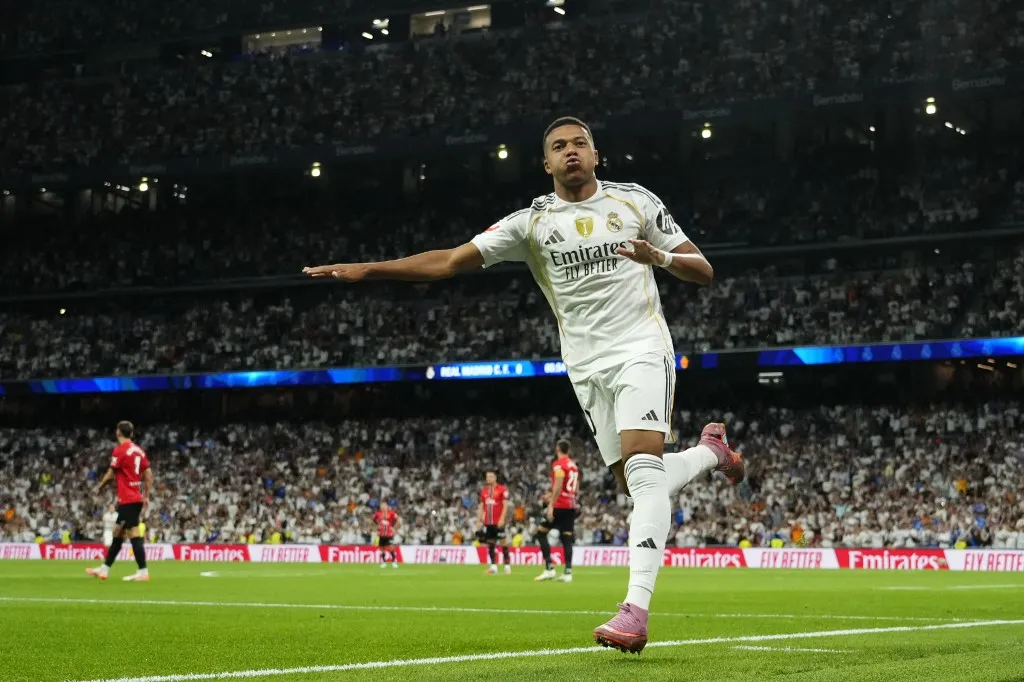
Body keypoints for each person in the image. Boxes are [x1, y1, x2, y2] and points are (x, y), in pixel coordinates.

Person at [303, 116, 745, 653]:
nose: (571, 151)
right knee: (635, 483)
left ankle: (634, 611)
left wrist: (660, 257)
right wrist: (369, 269)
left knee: (645, 475)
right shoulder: (531, 223)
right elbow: (448, 262)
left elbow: (703, 269)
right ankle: (710, 453)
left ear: (596, 154)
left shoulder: (635, 201)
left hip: (641, 348)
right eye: (559, 146)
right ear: (546, 163)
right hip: (584, 365)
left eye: (580, 143)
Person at [87, 421, 153, 582]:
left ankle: (143, 571)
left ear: (118, 432)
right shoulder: (139, 451)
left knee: (132, 533)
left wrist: (100, 486)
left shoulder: (120, 450)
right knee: (118, 532)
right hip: (135, 498)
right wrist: (146, 495)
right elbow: (148, 473)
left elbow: (111, 474)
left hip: (128, 500)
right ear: (132, 433)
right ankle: (104, 569)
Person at [535, 439, 578, 583]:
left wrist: (551, 504)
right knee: (567, 538)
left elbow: (559, 485)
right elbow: (573, 488)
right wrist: (551, 494)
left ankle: (549, 568)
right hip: (571, 505)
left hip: (559, 505)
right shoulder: (573, 465)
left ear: (557, 449)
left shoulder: (559, 465)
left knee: (540, 533)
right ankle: (568, 572)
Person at [479, 471, 512, 574]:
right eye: (487, 477)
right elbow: (482, 506)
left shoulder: (502, 490)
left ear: (495, 478)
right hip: (488, 522)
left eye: (490, 476)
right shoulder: (484, 491)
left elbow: (505, 505)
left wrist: (502, 519)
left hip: (498, 522)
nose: (488, 478)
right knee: (490, 543)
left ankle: (507, 566)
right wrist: (479, 518)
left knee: (503, 542)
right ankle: (493, 566)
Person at [374, 501, 399, 568]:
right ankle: (383, 562)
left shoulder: (391, 513)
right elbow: (374, 520)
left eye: (384, 506)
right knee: (382, 549)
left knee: (391, 548)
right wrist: (377, 526)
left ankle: (394, 562)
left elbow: (396, 520)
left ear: (387, 506)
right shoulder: (378, 514)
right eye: (382, 506)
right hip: (381, 534)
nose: (383, 507)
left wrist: (393, 528)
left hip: (389, 534)